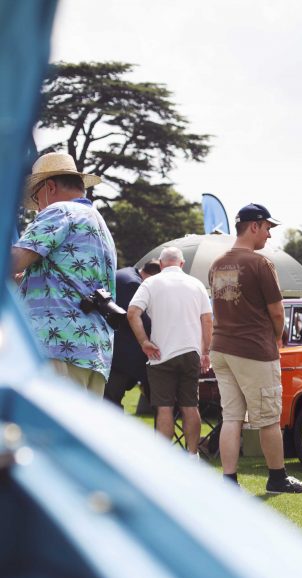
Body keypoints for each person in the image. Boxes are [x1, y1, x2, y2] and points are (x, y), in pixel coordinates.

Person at [208, 203, 302, 493]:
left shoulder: (217, 264)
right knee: (268, 418)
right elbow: (278, 313)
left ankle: (229, 481)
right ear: (254, 226)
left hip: (221, 347)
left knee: (231, 417)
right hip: (253, 349)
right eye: (268, 227)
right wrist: (277, 338)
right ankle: (277, 478)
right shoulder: (260, 263)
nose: (269, 235)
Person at [10, 152, 115, 395]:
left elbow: (16, 260)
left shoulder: (60, 210)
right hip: (93, 351)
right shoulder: (97, 221)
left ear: (49, 187)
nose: (38, 208)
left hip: (57, 345)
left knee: (43, 432)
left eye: (37, 199)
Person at [127, 247, 212, 457]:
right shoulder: (196, 284)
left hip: (160, 354)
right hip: (191, 352)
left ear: (161, 264)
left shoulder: (150, 282)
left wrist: (144, 341)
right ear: (181, 264)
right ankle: (193, 455)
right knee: (191, 406)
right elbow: (207, 320)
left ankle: (165, 459)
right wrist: (205, 352)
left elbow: (132, 313)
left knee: (164, 408)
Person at [105, 260, 161, 408]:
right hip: (121, 357)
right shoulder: (133, 284)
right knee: (111, 402)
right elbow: (140, 319)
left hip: (115, 352)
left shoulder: (127, 274)